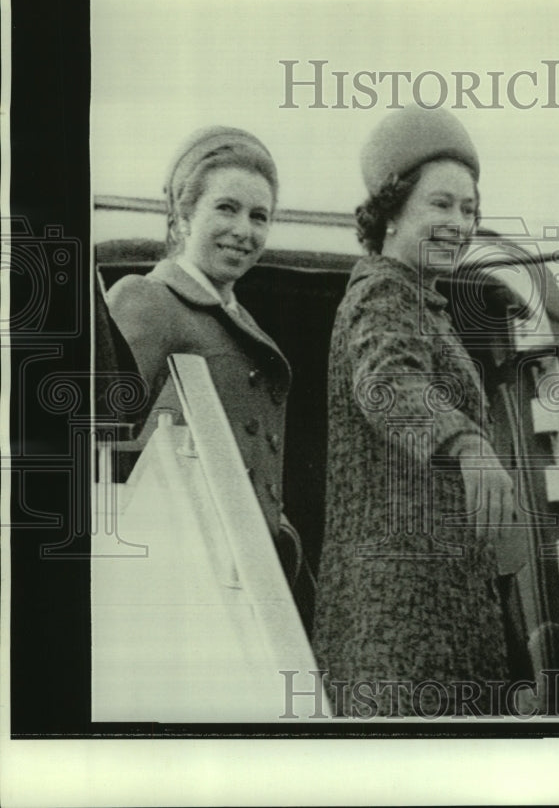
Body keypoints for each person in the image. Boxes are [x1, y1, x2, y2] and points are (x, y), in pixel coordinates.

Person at [311, 106, 514, 717]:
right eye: (440, 204)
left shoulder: (419, 300)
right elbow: (387, 382)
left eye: (468, 209)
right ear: (391, 212)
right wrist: (469, 445)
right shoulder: (382, 292)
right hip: (398, 621)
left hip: (431, 608)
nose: (459, 222)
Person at [106, 126, 313, 624]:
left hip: (251, 574)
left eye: (259, 216)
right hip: (184, 574)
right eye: (226, 208)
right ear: (182, 215)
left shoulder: (242, 322)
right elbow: (100, 450)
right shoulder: (147, 300)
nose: (245, 229)